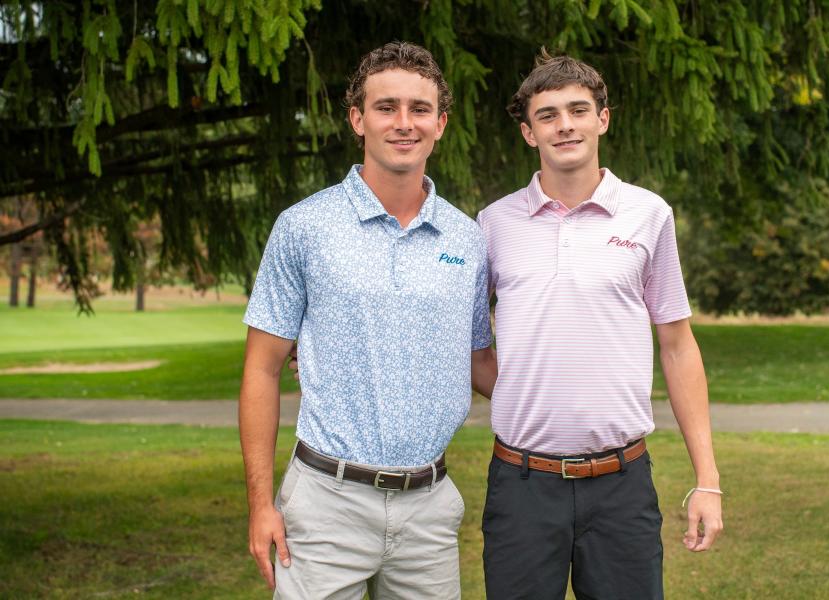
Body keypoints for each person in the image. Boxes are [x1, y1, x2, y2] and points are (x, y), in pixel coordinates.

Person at [239, 41, 495, 600]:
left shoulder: (466, 239)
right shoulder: (304, 226)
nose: (404, 123)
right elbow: (261, 371)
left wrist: (574, 396)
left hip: (429, 510)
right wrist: (261, 505)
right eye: (386, 107)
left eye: (419, 109)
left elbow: (479, 360)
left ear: (441, 124)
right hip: (326, 502)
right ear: (358, 118)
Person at [475, 53, 723, 599]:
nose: (565, 124)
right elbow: (470, 344)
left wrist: (708, 481)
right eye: (548, 115)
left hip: (621, 485)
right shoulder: (493, 223)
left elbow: (679, 346)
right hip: (521, 486)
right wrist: (532, 390)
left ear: (602, 119)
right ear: (527, 131)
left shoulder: (648, 214)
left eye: (578, 110)